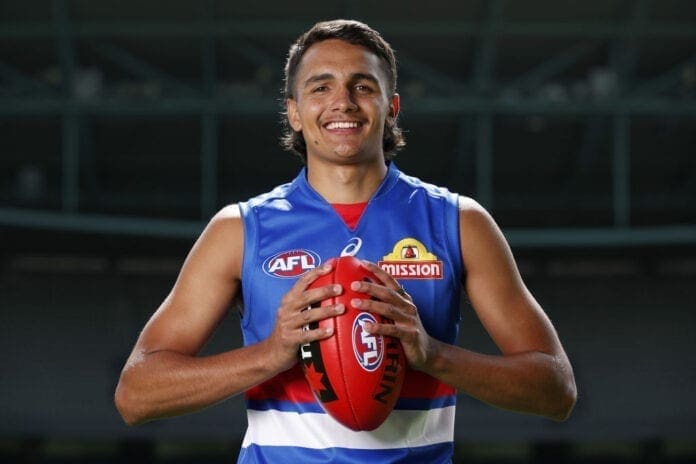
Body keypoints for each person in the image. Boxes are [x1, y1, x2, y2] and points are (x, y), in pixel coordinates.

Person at [115, 19, 576, 463]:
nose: (343, 103)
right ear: (294, 112)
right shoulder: (240, 229)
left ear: (391, 107)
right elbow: (135, 396)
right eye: (321, 87)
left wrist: (433, 354)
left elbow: (557, 391)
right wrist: (270, 354)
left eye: (363, 86)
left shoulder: (458, 222)